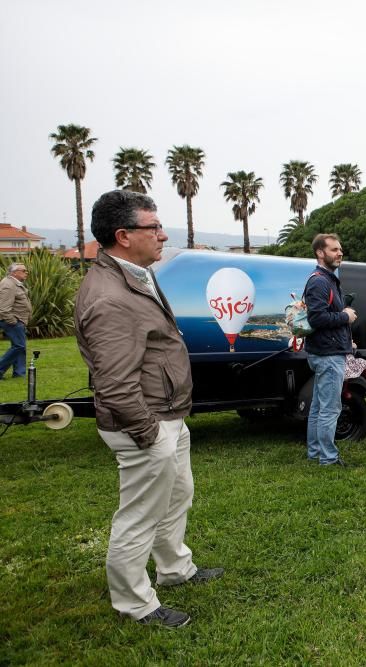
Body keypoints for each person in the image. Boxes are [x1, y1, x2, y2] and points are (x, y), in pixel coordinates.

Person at [75, 190, 222, 629]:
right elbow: (115, 384)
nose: (163, 235)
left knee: (178, 495)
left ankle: (176, 569)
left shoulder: (135, 274)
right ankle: (135, 603)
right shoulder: (109, 298)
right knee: (139, 515)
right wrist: (149, 432)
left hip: (166, 415)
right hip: (146, 422)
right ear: (123, 235)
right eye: (153, 227)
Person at [304, 233, 358, 466]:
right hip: (327, 355)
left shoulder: (327, 279)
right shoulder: (319, 281)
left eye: (340, 249)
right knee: (329, 408)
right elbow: (317, 318)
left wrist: (347, 340)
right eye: (334, 249)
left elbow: (324, 316)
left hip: (327, 351)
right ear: (320, 252)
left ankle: (315, 452)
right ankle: (328, 457)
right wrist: (345, 316)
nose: (340, 253)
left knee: (318, 406)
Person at [0, 262, 31, 379]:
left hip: (18, 320)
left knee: (19, 346)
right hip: (12, 320)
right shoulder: (8, 285)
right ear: (14, 272)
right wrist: (13, 321)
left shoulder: (14, 283)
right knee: (19, 346)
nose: (26, 273)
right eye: (23, 271)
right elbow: (3, 308)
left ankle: (19, 373)